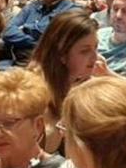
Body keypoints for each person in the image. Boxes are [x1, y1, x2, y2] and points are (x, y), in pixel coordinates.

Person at [29, 11, 97, 152]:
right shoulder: (35, 92)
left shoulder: (85, 84)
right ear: (62, 55)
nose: (95, 57)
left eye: (95, 48)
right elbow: (45, 151)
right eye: (85, 51)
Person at [3, 0, 78, 64]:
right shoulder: (33, 6)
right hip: (13, 59)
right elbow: (8, 31)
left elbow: (53, 42)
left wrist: (23, 30)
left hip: (45, 65)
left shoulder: (71, 12)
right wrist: (35, 41)